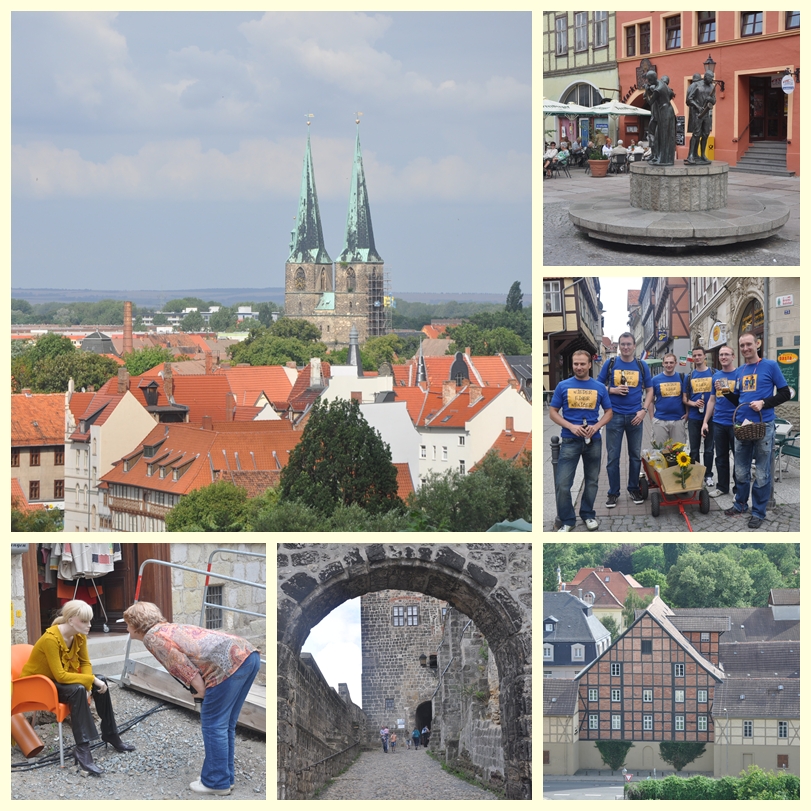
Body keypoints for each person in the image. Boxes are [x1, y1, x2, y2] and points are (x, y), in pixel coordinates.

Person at [123, 601, 261, 796]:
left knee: (213, 724)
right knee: (226, 724)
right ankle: (224, 778)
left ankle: (216, 782)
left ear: (137, 625)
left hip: (227, 664)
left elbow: (182, 666)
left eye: (128, 623)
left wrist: (201, 691)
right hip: (247, 654)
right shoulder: (166, 628)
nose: (126, 627)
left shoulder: (152, 637)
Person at [20, 600, 136, 776]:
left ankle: (110, 734)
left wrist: (90, 683)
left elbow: (85, 663)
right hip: (37, 685)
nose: (89, 625)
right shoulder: (51, 639)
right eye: (84, 621)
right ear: (70, 619)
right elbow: (60, 676)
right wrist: (90, 681)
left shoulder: (78, 635)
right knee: (78, 689)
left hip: (56, 682)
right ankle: (83, 750)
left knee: (101, 679)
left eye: (90, 621)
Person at [720, 330, 791, 528]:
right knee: (741, 471)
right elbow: (738, 400)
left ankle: (758, 511)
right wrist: (725, 391)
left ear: (757, 344)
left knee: (761, 472)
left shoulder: (770, 366)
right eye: (742, 346)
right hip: (743, 426)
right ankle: (740, 504)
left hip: (764, 425)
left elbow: (786, 393)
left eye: (748, 344)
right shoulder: (740, 370)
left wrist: (764, 403)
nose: (745, 348)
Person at [549, 349, 613, 531]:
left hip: (593, 439)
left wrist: (597, 426)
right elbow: (553, 413)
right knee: (563, 483)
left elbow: (609, 412)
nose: (579, 367)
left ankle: (587, 514)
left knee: (592, 481)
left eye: (582, 364)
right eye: (576, 364)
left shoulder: (599, 387)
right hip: (570, 440)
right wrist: (571, 426)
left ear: (589, 365)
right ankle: (568, 520)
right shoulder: (563, 386)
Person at [597, 333, 654, 508]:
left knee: (635, 456)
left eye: (629, 344)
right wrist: (612, 390)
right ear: (619, 346)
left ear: (634, 346)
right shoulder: (611, 363)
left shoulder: (641, 365)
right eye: (623, 344)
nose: (626, 347)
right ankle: (613, 492)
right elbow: (598, 386)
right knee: (613, 457)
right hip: (614, 416)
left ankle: (633, 488)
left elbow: (650, 390)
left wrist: (644, 411)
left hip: (635, 417)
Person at [701, 344, 739, 498]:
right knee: (721, 457)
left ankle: (738, 490)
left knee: (739, 457)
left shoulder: (739, 375)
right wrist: (705, 421)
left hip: (735, 423)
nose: (723, 357)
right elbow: (711, 400)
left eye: (726, 354)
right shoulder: (716, 376)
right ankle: (722, 487)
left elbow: (741, 399)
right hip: (718, 422)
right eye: (721, 355)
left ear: (733, 356)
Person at [683, 346, 716, 488]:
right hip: (695, 418)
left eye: (699, 355)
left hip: (711, 417)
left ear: (704, 356)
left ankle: (708, 475)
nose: (697, 358)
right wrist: (694, 403)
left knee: (709, 449)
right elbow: (684, 399)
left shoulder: (714, 373)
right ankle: (695, 474)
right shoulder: (689, 376)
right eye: (694, 356)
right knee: (694, 449)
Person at [648, 353, 687, 445]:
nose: (668, 365)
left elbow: (686, 398)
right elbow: (650, 400)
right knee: (660, 452)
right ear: (663, 364)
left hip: (678, 420)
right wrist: (652, 418)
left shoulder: (682, 378)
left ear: (675, 363)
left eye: (671, 363)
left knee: (678, 452)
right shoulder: (655, 380)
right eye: (666, 363)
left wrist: (687, 414)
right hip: (660, 420)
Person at [687, 72, 716, 164]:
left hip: (706, 113)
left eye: (712, 78)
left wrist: (710, 99)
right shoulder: (696, 85)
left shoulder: (712, 87)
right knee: (696, 134)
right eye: (711, 78)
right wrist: (698, 106)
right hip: (697, 113)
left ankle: (703, 154)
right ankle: (691, 155)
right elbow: (689, 99)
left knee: (706, 134)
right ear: (706, 77)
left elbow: (714, 100)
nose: (712, 79)